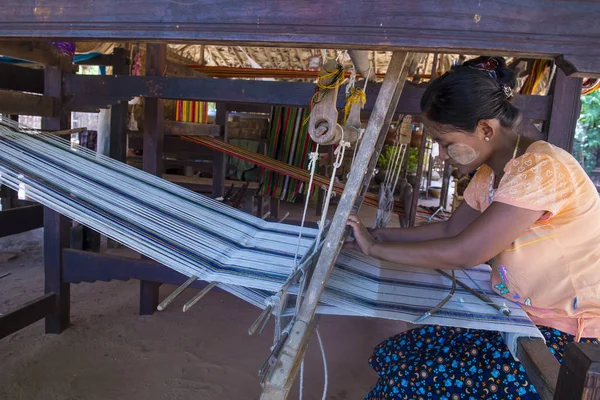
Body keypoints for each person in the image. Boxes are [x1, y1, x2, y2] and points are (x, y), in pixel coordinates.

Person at [345, 56, 600, 399]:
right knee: (398, 354)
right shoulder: (491, 174)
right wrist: (377, 234)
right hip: (519, 319)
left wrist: (375, 250)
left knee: (411, 380)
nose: (442, 153)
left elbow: (467, 252)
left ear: (485, 129)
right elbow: (452, 230)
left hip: (569, 340)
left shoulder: (541, 168)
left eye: (446, 142)